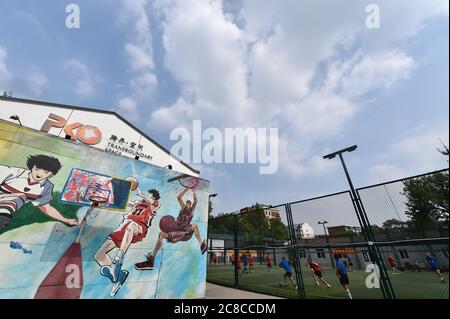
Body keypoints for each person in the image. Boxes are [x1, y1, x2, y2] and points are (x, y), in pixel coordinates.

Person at [95, 188, 160, 296]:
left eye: (149, 195)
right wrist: (108, 196)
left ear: (152, 197)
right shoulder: (138, 203)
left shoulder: (154, 205)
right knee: (99, 255)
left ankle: (119, 256)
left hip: (139, 227)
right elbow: (124, 202)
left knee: (131, 226)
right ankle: (116, 276)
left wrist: (141, 194)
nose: (147, 197)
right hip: (123, 227)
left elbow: (154, 202)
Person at [134, 187, 207, 270]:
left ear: (190, 205)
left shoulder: (192, 211)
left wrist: (194, 192)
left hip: (185, 231)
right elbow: (179, 197)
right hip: (177, 229)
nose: (187, 204)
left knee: (194, 226)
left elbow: (196, 201)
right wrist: (185, 190)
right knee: (161, 234)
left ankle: (202, 245)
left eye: (189, 203)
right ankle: (151, 260)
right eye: (187, 203)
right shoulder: (183, 208)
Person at [0, 155, 79, 230]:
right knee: (21, 196)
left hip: (4, 212)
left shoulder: (46, 187)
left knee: (21, 197)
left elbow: (45, 207)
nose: (39, 173)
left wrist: (65, 220)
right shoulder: (12, 172)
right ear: (33, 167)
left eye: (46, 172)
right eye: (37, 168)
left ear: (51, 175)